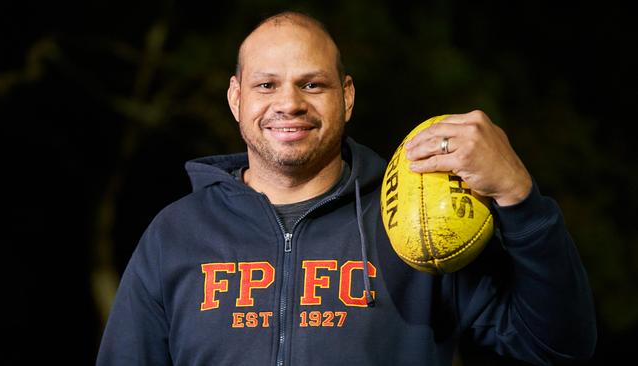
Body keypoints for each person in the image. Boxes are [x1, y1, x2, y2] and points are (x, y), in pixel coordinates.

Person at [96, 11, 596, 366]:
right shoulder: (177, 233)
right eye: (266, 85)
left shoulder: (420, 224)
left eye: (312, 84)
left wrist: (520, 199)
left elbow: (557, 346)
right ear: (235, 97)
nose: (288, 103)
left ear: (347, 96)